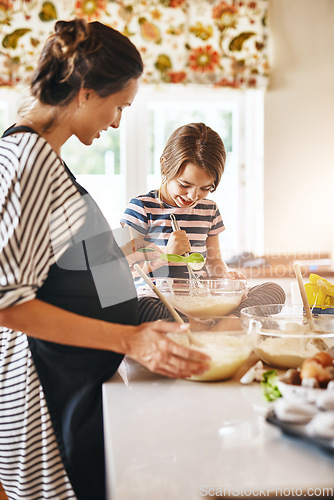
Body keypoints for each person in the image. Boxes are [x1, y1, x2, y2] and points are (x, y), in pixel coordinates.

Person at [0, 20, 210, 500]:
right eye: (119, 107)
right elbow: (7, 303)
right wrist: (129, 340)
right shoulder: (27, 163)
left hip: (74, 384)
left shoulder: (43, 160)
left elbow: (82, 258)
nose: (117, 122)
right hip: (48, 400)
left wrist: (149, 252)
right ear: (85, 91)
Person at [121, 122, 286, 322]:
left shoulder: (209, 209)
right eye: (185, 184)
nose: (193, 195)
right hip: (160, 299)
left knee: (274, 291)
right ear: (165, 164)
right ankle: (216, 326)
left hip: (199, 299)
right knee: (143, 306)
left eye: (205, 188)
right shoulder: (141, 207)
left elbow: (214, 261)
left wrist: (225, 276)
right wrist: (166, 255)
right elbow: (125, 268)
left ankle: (216, 324)